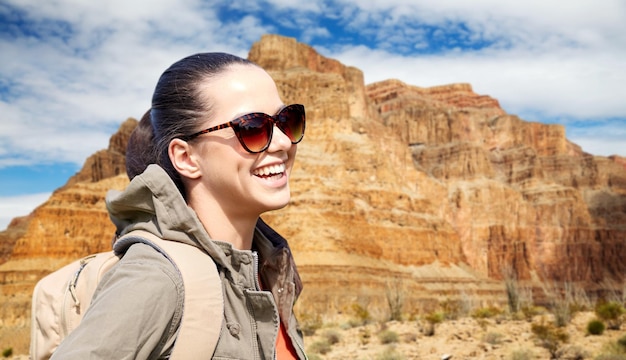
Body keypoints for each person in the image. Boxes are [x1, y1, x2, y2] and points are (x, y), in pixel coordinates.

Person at [51, 52, 307, 359]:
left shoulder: (268, 271)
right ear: (186, 158)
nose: (282, 142)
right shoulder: (157, 278)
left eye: (287, 120)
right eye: (252, 128)